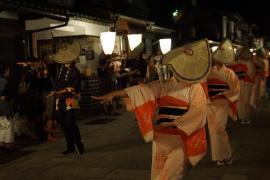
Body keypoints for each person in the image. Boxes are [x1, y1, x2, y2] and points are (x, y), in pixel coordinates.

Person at [92, 39, 210, 179]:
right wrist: (115, 93)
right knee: (157, 174)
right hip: (161, 137)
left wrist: (176, 123)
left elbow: (199, 112)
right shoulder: (163, 84)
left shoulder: (195, 87)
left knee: (170, 175)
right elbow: (142, 91)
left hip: (181, 138)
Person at [206, 39, 240, 166]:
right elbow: (201, 87)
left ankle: (227, 154)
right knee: (213, 131)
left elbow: (236, 89)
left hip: (222, 103)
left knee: (219, 128)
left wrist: (225, 94)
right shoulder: (207, 72)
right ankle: (221, 157)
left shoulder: (229, 73)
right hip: (209, 103)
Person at [48, 42, 84, 155]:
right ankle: (70, 147)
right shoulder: (60, 69)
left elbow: (71, 89)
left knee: (70, 122)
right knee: (63, 123)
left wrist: (56, 92)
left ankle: (79, 146)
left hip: (72, 99)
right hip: (60, 99)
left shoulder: (75, 71)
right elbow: (58, 84)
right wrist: (55, 92)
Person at [229, 48, 255, 124]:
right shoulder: (247, 64)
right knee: (244, 101)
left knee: (243, 101)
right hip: (245, 83)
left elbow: (250, 75)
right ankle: (243, 117)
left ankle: (243, 117)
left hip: (244, 83)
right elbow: (251, 75)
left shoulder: (241, 63)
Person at [0, 64, 16, 150]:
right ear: (5, 71)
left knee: (2, 124)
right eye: (8, 70)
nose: (9, 72)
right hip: (4, 104)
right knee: (8, 124)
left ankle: (2, 142)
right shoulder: (4, 81)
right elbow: (4, 93)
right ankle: (8, 144)